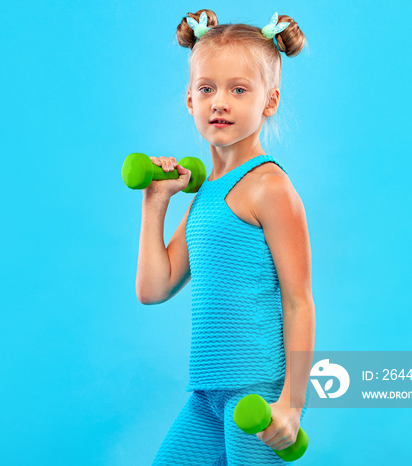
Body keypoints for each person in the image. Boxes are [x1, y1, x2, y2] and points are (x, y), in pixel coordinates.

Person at [135, 9, 315, 465]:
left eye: (239, 90)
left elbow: (299, 301)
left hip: (255, 395)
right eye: (207, 88)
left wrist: (291, 406)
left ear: (269, 101)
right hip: (206, 393)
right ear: (189, 100)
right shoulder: (205, 197)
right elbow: (153, 289)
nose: (220, 101)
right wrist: (155, 203)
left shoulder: (270, 187)